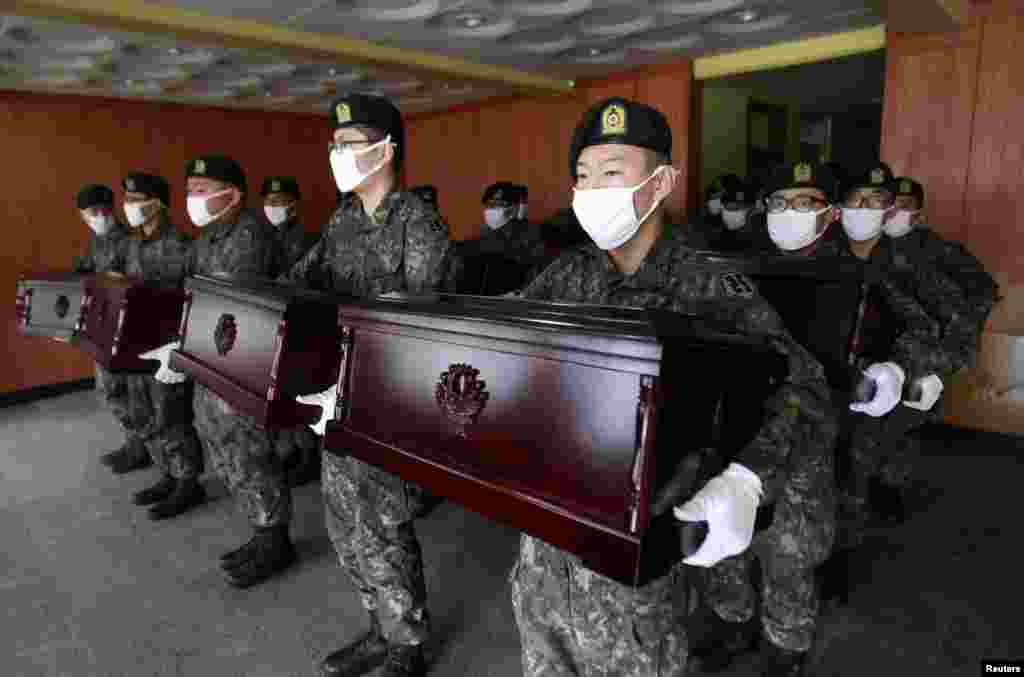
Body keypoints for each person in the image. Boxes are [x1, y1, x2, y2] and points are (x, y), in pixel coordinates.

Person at [513, 98, 837, 677]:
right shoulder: (567, 275)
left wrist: (748, 475)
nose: (592, 190)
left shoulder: (709, 283)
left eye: (612, 173)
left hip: (643, 545)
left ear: (662, 182)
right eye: (583, 176)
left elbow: (802, 385)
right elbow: (493, 339)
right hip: (549, 539)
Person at [283, 93, 450, 677]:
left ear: (387, 150)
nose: (340, 155)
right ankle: (378, 624)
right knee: (344, 521)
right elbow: (299, 284)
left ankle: (407, 641)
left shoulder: (418, 223)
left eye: (351, 145)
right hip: (335, 395)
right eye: (336, 146)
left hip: (386, 400)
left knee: (384, 519)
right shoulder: (342, 220)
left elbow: (424, 321)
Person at [143, 155, 289, 588]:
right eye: (190, 189)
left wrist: (186, 348)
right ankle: (262, 529)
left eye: (203, 188)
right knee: (221, 442)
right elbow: (191, 290)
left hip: (244, 360)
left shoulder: (250, 235)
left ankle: (275, 536)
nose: (193, 197)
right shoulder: (207, 237)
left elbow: (231, 304)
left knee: (249, 449)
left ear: (234, 194)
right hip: (214, 355)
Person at [117, 172, 206, 519]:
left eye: (138, 200)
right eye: (128, 199)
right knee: (146, 411)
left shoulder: (183, 245)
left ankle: (188, 482)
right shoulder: (133, 244)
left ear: (159, 203)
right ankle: (168, 472)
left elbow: (193, 297)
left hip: (169, 341)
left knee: (173, 414)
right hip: (136, 340)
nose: (131, 207)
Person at [73, 184, 150, 474]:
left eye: (94, 212)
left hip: (127, 330)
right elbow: (84, 269)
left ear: (109, 209)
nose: (91, 219)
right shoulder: (95, 241)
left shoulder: (131, 241)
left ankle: (145, 449)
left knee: (134, 394)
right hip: (102, 327)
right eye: (85, 216)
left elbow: (138, 285)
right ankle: (133, 444)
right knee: (110, 390)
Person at [260, 175, 322, 487]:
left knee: (297, 390)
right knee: (276, 391)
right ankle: (286, 450)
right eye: (269, 202)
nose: (274, 207)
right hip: (267, 321)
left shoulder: (310, 240)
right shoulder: (259, 238)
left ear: (294, 205)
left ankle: (308, 454)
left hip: (299, 324)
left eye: (280, 201)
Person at [262, 175, 319, 275]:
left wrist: (282, 231)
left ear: (293, 204)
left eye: (276, 200)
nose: (270, 205)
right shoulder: (260, 232)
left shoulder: (307, 240)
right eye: (267, 200)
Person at [707, 177, 773, 255]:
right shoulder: (749, 207)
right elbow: (759, 209)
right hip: (739, 234)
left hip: (732, 234)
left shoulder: (718, 204)